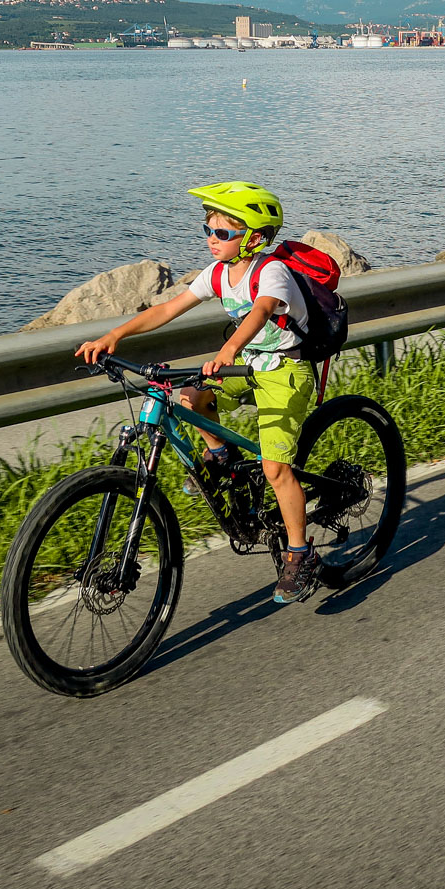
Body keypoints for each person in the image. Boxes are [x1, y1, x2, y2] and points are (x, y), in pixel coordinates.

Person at [73, 181, 323, 604]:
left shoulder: (271, 272)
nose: (212, 239)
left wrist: (229, 348)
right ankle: (222, 455)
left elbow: (261, 310)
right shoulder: (218, 273)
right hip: (245, 366)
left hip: (285, 370)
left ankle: (301, 554)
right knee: (192, 397)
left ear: (254, 238)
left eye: (223, 233)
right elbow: (167, 309)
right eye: (208, 230)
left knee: (276, 469)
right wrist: (114, 335)